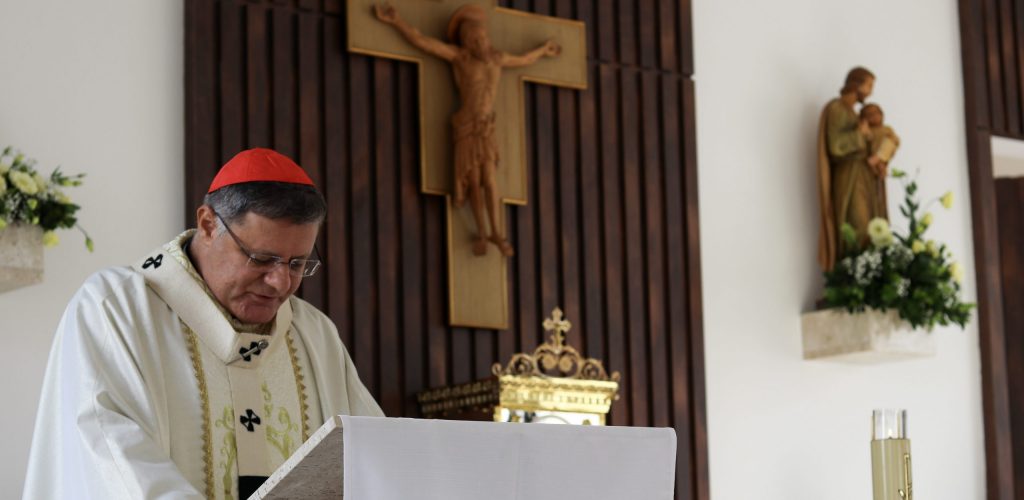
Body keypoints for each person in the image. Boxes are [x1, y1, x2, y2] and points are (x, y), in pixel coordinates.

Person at [23, 148, 383, 500]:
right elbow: (112, 457)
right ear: (209, 225)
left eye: (296, 264)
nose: (281, 283)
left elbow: (377, 457)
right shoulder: (116, 309)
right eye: (262, 259)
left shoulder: (313, 334)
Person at [374, 2, 560, 257]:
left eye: (482, 37)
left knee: (490, 179)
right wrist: (397, 22)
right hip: (467, 124)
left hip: (487, 126)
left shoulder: (497, 58)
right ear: (467, 41)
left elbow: (524, 58)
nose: (480, 42)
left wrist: (543, 50)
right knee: (473, 179)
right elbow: (424, 42)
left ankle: (496, 231)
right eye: (473, 38)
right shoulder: (460, 58)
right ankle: (482, 232)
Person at [816, 67, 888, 270]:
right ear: (855, 85)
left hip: (864, 175)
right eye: (869, 86)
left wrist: (879, 163)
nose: (870, 92)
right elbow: (835, 146)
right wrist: (859, 134)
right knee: (857, 224)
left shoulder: (855, 114)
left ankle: (867, 273)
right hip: (849, 176)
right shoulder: (837, 109)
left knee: (870, 225)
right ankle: (853, 274)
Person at [860, 103, 900, 170]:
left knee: (891, 141)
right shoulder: (866, 129)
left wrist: (879, 157)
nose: (875, 116)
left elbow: (895, 141)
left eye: (877, 113)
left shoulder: (887, 129)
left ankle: (878, 159)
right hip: (866, 160)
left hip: (881, 159)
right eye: (870, 115)